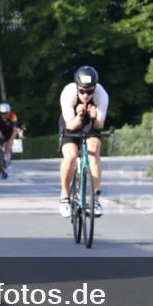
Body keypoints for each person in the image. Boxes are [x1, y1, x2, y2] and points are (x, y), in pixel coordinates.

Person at [58, 66, 108, 218]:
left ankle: (95, 200)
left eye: (90, 91)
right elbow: (70, 126)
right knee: (71, 155)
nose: (86, 95)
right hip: (72, 122)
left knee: (93, 149)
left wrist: (93, 117)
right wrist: (80, 115)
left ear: (95, 88)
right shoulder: (68, 93)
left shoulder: (101, 94)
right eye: (82, 91)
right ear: (76, 87)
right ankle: (65, 196)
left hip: (90, 124)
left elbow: (100, 125)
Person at [0, 102, 20, 179]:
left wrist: (11, 139)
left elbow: (15, 129)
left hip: (9, 132)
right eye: (2, 113)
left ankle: (7, 162)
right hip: (0, 131)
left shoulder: (13, 116)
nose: (4, 115)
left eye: (5, 113)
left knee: (8, 146)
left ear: (9, 112)